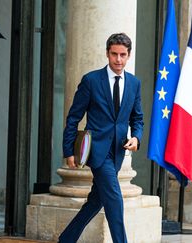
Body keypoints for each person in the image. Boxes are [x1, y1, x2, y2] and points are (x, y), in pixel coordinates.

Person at [58, 33, 144, 243]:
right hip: (96, 151)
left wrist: (137, 138)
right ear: (107, 53)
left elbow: (137, 118)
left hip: (117, 151)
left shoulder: (134, 83)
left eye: (123, 55)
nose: (118, 59)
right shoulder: (91, 80)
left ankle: (66, 239)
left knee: (96, 200)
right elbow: (73, 117)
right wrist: (68, 150)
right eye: (114, 54)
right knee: (114, 199)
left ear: (129, 55)